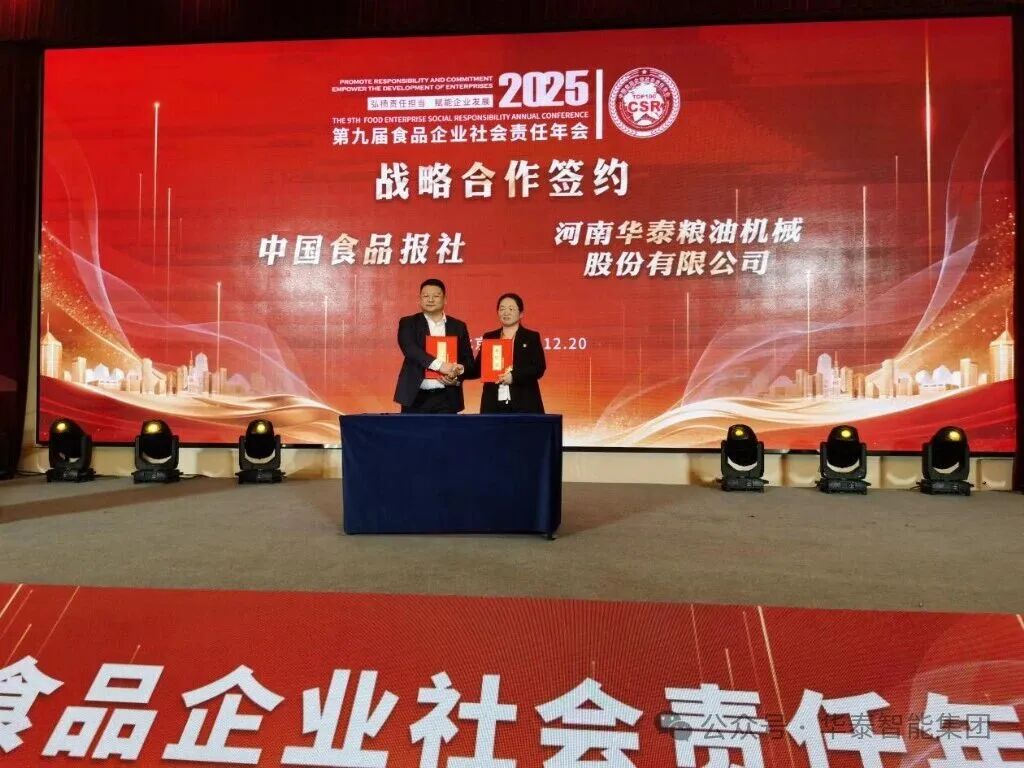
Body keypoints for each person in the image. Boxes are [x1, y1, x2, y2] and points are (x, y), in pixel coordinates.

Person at [394, 278, 474, 413]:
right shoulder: (408, 323)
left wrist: (456, 374)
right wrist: (440, 366)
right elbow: (410, 349)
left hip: (447, 397)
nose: (430, 300)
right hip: (415, 396)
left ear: (445, 300)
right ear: (419, 300)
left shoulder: (458, 326)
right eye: (426, 296)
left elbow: (469, 362)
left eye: (436, 296)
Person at [476, 293, 546, 413]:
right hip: (493, 402)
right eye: (502, 309)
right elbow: (478, 368)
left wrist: (514, 376)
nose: (506, 312)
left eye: (511, 309)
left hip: (524, 401)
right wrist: (458, 370)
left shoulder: (531, 337)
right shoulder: (490, 337)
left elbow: (539, 368)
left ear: (521, 313)